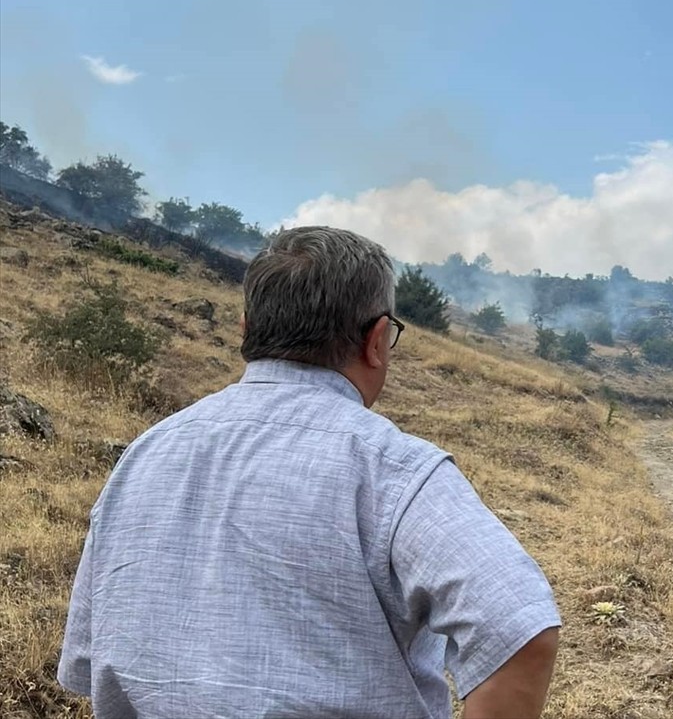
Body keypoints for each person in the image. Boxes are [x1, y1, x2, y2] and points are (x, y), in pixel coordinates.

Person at [58, 226, 561, 719]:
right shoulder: (393, 471)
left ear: (246, 330)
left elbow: (87, 660)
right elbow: (519, 629)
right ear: (378, 340)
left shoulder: (145, 454)